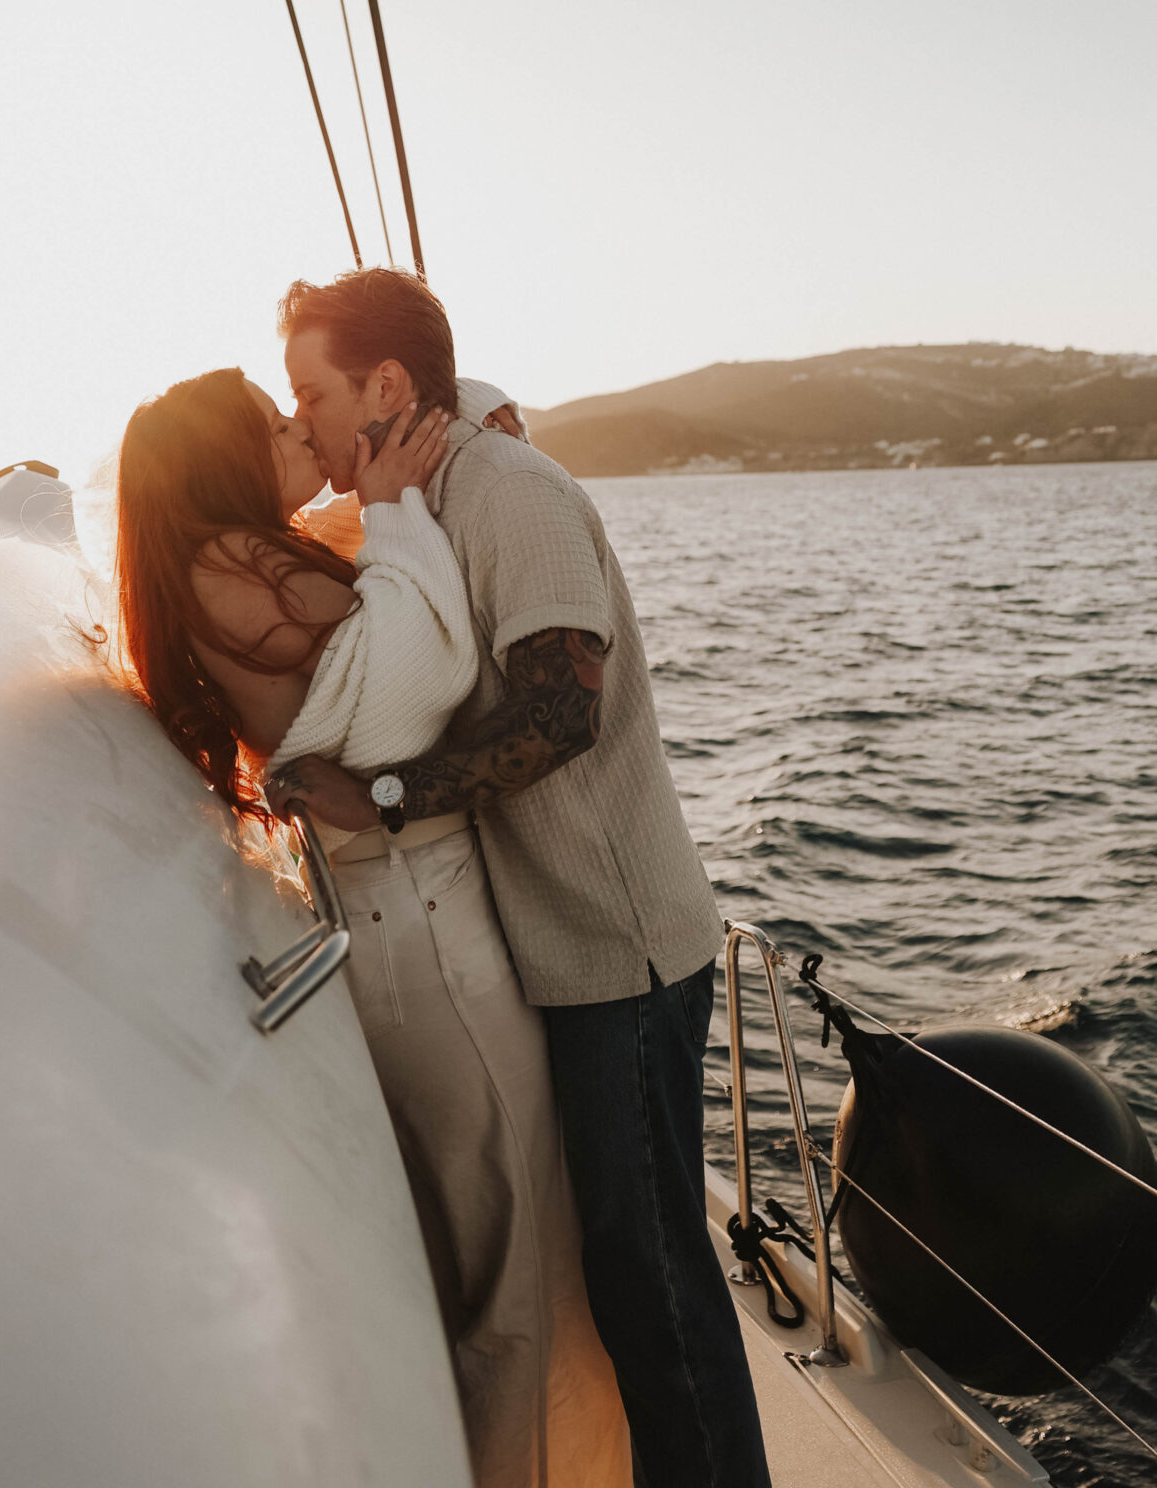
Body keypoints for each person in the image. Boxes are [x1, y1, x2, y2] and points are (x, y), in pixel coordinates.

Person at [274, 270, 772, 1488]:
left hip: (622, 951)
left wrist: (382, 798)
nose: (308, 418)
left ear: (387, 387)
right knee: (625, 1266)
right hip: (569, 950)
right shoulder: (432, 487)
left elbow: (562, 710)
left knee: (653, 1283)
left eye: (312, 392)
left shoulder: (507, 492)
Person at [112, 366, 629, 1488]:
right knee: (523, 1281)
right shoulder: (232, 565)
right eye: (276, 421)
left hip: (399, 917)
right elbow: (423, 664)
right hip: (425, 929)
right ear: (223, 458)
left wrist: (458, 432)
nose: (300, 429)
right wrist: (395, 509)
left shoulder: (228, 555)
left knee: (492, 1259)